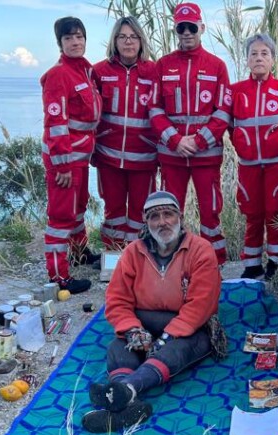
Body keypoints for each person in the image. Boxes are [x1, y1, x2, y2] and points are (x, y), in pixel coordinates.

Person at [82, 191, 224, 433]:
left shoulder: (201, 250)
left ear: (180, 216)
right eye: (154, 216)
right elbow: (117, 299)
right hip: (144, 319)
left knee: (179, 348)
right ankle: (126, 401)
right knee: (119, 345)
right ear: (146, 223)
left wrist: (166, 338)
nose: (162, 222)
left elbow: (201, 304)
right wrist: (132, 329)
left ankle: (125, 390)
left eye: (168, 214)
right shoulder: (132, 252)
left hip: (188, 326)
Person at [149, 3, 233, 265]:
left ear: (201, 28)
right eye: (181, 27)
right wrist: (175, 141)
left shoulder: (217, 66)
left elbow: (223, 110)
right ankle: (171, 260)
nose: (186, 32)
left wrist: (197, 142)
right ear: (176, 29)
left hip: (206, 155)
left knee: (210, 211)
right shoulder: (162, 65)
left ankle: (213, 261)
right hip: (172, 156)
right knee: (169, 212)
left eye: (192, 27)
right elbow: (153, 108)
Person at [228, 33, 278, 280]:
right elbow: (230, 127)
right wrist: (244, 145)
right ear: (247, 60)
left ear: (272, 60)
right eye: (254, 54)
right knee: (252, 212)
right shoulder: (235, 92)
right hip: (248, 165)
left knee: (275, 211)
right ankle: (251, 264)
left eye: (264, 54)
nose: (259, 58)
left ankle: (276, 261)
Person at [40, 16, 101, 294]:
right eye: (68, 38)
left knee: (78, 207)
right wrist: (62, 164)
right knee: (61, 215)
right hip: (64, 161)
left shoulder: (85, 71)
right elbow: (56, 123)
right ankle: (58, 276)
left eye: (79, 37)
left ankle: (79, 253)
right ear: (60, 43)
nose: (75, 42)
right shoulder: (59, 75)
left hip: (80, 158)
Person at [92, 17, 159, 250]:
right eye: (122, 37)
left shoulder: (154, 72)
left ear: (141, 40)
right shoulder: (99, 71)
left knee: (142, 211)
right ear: (115, 41)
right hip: (108, 157)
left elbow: (164, 114)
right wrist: (91, 150)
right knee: (113, 211)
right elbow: (89, 115)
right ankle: (112, 259)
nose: (128, 42)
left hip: (144, 157)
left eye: (133, 37)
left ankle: (138, 258)